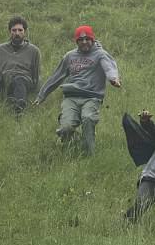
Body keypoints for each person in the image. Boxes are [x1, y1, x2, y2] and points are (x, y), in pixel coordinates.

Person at [34, 25, 121, 155]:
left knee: (88, 118)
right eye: (81, 40)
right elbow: (56, 76)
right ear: (76, 41)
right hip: (71, 97)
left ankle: (89, 154)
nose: (84, 42)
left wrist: (113, 79)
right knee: (66, 128)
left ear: (92, 39)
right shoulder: (70, 56)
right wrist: (42, 95)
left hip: (92, 96)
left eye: (87, 39)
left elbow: (109, 67)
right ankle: (77, 140)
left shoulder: (100, 54)